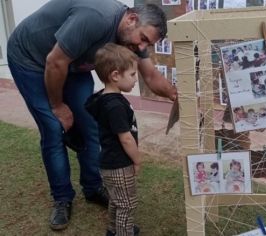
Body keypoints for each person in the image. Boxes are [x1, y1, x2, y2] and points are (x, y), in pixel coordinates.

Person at [7, 0, 177, 230]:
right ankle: (62, 198)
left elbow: (151, 77)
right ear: (132, 19)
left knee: (90, 124)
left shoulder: (134, 38)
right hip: (33, 59)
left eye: (147, 43)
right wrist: (58, 107)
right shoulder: (95, 17)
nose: (141, 47)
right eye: (143, 39)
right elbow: (55, 62)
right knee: (54, 128)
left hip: (73, 63)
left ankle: (93, 186)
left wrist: (178, 96)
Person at [85, 44, 140, 236]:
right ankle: (124, 232)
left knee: (116, 200)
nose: (135, 79)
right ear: (115, 75)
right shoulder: (115, 105)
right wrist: (136, 159)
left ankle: (113, 230)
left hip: (107, 163)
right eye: (132, 74)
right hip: (119, 164)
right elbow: (125, 138)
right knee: (127, 204)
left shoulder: (104, 98)